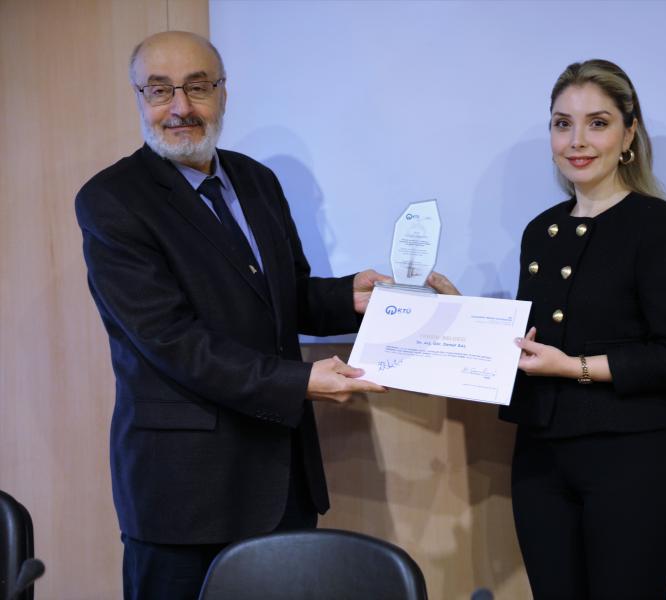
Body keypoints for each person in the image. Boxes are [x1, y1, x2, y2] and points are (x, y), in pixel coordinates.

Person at [75, 31, 453, 599]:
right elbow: (172, 341)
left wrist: (351, 296)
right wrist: (301, 381)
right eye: (159, 90)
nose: (180, 107)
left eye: (198, 87)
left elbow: (285, 295)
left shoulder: (256, 181)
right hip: (184, 492)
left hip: (281, 478)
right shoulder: (112, 200)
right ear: (139, 97)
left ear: (223, 93)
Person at [499, 59, 666, 599]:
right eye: (562, 123)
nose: (577, 140)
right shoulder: (540, 231)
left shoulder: (657, 226)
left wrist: (573, 368)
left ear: (629, 133)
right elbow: (532, 342)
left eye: (597, 123)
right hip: (540, 462)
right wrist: (464, 320)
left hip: (629, 464)